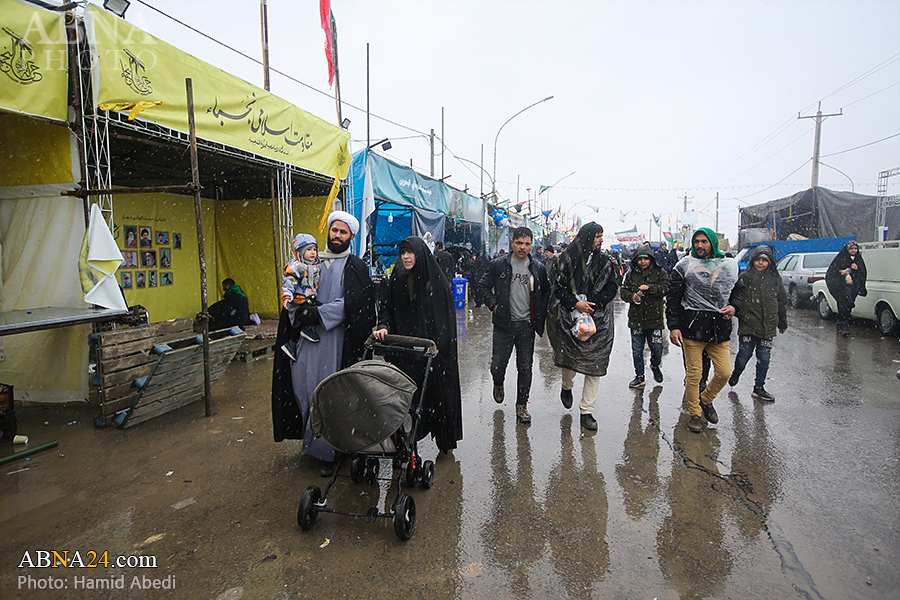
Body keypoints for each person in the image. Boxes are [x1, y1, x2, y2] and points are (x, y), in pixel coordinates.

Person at [271, 211, 376, 476]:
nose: (337, 236)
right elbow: (293, 294)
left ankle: (330, 450)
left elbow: (356, 305)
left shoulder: (356, 266)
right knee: (303, 388)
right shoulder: (309, 261)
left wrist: (320, 313)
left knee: (331, 394)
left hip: (337, 340)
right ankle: (313, 443)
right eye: (334, 230)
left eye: (343, 232)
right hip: (307, 340)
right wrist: (299, 311)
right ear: (328, 232)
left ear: (351, 236)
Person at [373, 236, 463, 453]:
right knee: (404, 398)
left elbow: (444, 317)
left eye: (410, 252)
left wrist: (438, 343)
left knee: (438, 394)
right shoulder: (396, 280)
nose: (406, 256)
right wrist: (384, 324)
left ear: (420, 254)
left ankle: (444, 440)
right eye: (403, 252)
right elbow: (387, 306)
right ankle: (405, 442)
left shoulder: (435, 281)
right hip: (404, 349)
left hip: (432, 350)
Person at [666, 228, 744, 433]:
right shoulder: (683, 267)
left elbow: (739, 290)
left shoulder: (728, 266)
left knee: (725, 372)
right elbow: (673, 299)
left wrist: (734, 307)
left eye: (704, 242)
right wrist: (674, 326)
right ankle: (695, 414)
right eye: (697, 242)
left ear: (712, 243)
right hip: (692, 327)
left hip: (720, 329)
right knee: (695, 375)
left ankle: (706, 400)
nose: (700, 246)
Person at [546, 222, 620, 431]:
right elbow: (557, 288)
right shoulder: (565, 260)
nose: (601, 240)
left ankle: (587, 411)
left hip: (599, 319)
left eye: (602, 236)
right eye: (597, 236)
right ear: (587, 237)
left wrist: (596, 304)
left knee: (595, 364)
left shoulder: (607, 262)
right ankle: (566, 387)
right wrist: (575, 304)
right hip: (571, 317)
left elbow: (613, 286)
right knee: (570, 359)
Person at [477, 227, 551, 424]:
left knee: (525, 368)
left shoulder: (538, 268)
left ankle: (521, 406)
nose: (523, 247)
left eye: (527, 243)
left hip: (526, 326)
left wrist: (540, 314)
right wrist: (494, 305)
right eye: (519, 243)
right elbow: (483, 285)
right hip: (503, 325)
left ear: (531, 244)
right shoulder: (499, 265)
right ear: (512, 243)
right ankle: (498, 382)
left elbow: (546, 293)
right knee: (497, 365)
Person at [728, 245, 787, 401]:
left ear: (770, 262)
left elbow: (781, 302)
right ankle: (736, 373)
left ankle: (759, 388)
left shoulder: (775, 279)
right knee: (744, 355)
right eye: (758, 260)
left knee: (764, 359)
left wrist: (782, 322)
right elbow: (735, 300)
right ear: (753, 261)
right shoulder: (744, 278)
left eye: (764, 260)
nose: (761, 263)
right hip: (748, 326)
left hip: (767, 327)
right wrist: (743, 316)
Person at [620, 244, 668, 389]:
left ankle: (654, 365)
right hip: (636, 319)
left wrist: (650, 288)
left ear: (651, 259)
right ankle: (639, 377)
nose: (642, 262)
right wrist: (631, 297)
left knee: (657, 348)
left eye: (645, 259)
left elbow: (665, 288)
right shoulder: (631, 274)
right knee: (637, 350)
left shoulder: (660, 272)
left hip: (654, 318)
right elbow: (623, 291)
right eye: (640, 259)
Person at [281, 233, 322, 359]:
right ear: (299, 252)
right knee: (304, 315)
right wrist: (287, 296)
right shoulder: (296, 267)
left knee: (318, 308)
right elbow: (289, 282)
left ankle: (295, 341)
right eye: (309, 250)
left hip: (308, 297)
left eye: (314, 249)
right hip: (298, 300)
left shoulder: (315, 266)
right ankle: (300, 336)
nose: (313, 253)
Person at [825, 240, 867, 336]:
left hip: (853, 287)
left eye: (855, 248)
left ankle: (841, 322)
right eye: (851, 248)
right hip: (841, 287)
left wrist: (857, 269)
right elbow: (832, 272)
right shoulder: (841, 258)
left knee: (849, 305)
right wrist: (842, 272)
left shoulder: (858, 259)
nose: (853, 250)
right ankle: (844, 325)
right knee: (843, 304)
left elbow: (863, 272)